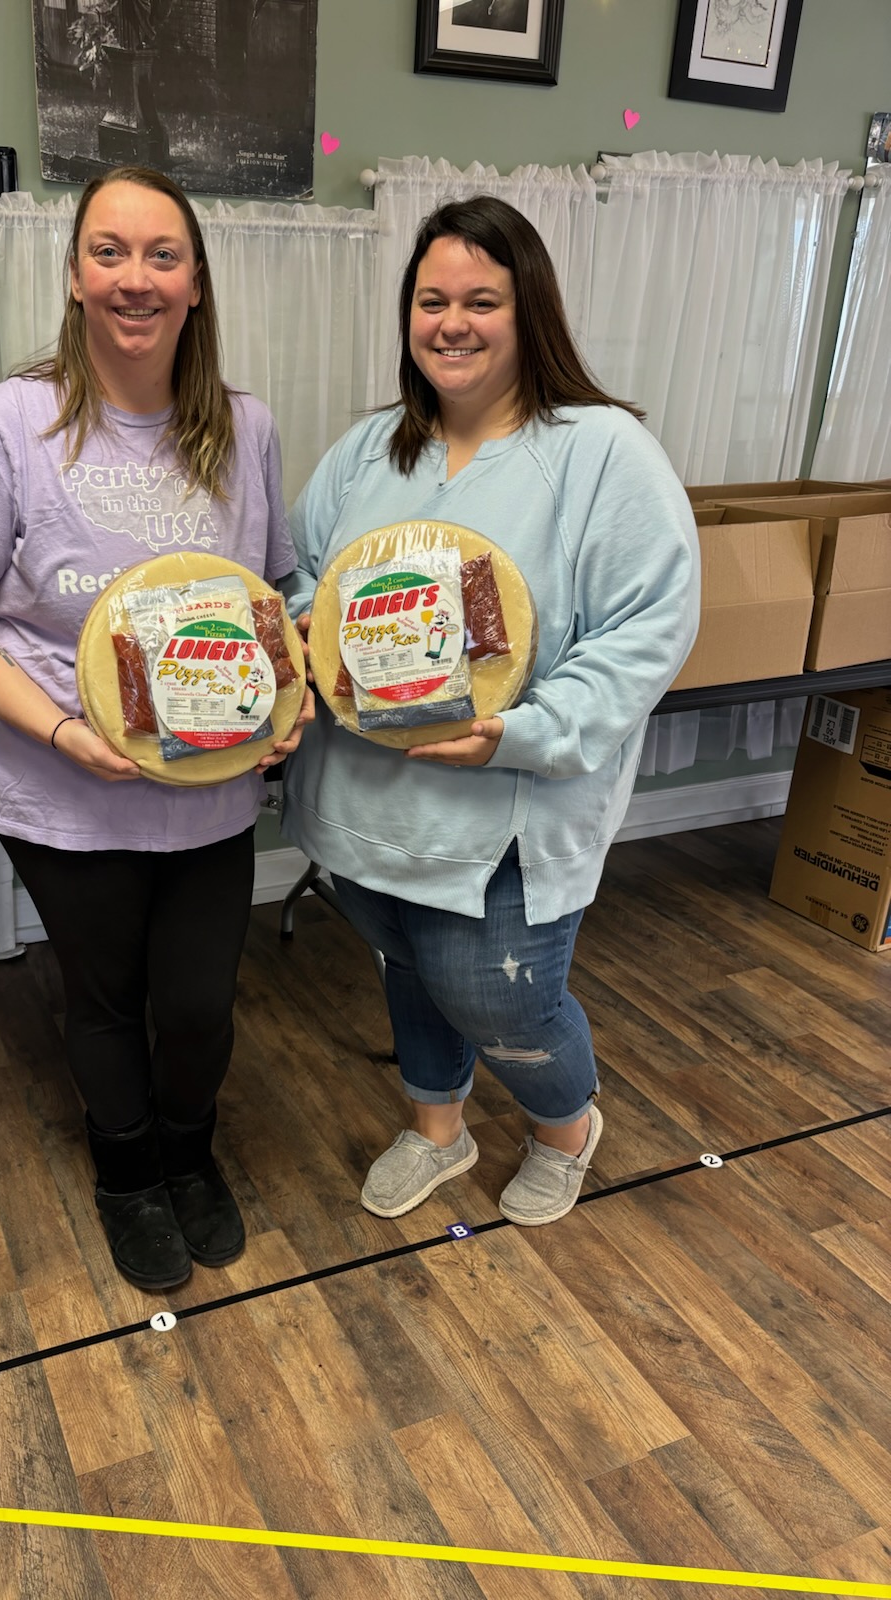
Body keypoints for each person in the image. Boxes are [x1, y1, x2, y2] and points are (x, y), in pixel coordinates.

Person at [0, 166, 311, 1291]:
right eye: (109, 252)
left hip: (209, 783)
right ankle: (127, 1172)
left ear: (195, 285)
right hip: (64, 784)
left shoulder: (246, 427)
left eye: (161, 255)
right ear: (77, 279)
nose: (135, 277)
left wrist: (291, 699)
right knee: (106, 998)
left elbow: (269, 598)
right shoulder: (5, 424)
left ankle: (191, 1153)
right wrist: (55, 729)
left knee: (196, 1002)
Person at [280, 196, 699, 1227]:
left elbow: (648, 627)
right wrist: (294, 653)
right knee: (407, 965)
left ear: (530, 312)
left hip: (506, 803)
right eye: (432, 300)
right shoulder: (371, 450)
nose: (452, 322)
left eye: (481, 299)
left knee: (501, 995)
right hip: (369, 803)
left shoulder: (602, 452)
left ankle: (567, 1124)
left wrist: (523, 730)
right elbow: (303, 586)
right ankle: (440, 1128)